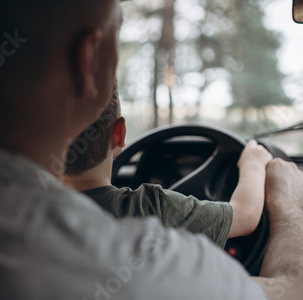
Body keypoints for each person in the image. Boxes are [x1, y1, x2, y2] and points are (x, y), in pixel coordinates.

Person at [0, 0, 303, 299]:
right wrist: (286, 205)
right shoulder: (137, 266)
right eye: (115, 43)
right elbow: (299, 294)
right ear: (88, 59)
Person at [62, 87, 273, 248]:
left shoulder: (33, 209)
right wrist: (253, 164)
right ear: (119, 133)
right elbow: (246, 216)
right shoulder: (151, 208)